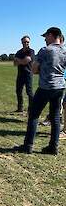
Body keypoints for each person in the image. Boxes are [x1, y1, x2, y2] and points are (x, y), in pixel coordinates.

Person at [13, 27, 66, 155]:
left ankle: (28, 145)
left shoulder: (45, 50)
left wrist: (42, 70)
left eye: (46, 37)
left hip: (45, 87)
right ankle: (53, 147)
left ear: (52, 35)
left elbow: (34, 69)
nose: (45, 40)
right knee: (55, 117)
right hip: (60, 87)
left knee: (34, 114)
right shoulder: (65, 50)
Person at [13, 36, 35, 113]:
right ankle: (20, 108)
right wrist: (21, 61)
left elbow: (26, 61)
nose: (26, 43)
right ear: (21, 42)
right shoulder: (19, 52)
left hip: (28, 74)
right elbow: (15, 63)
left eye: (27, 42)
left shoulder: (31, 51)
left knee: (29, 92)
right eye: (24, 42)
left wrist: (19, 60)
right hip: (20, 74)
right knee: (18, 91)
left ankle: (31, 109)